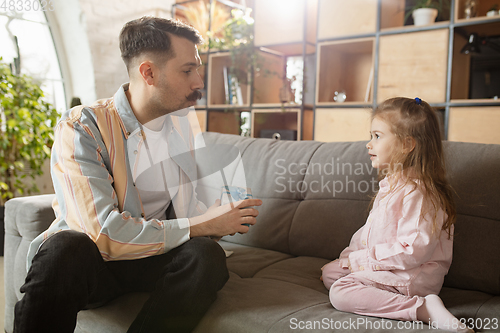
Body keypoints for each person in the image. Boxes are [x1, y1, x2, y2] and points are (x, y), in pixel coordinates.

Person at [14, 17, 262, 333]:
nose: (198, 82)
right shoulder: (83, 127)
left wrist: (219, 217)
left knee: (206, 256)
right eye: (188, 70)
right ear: (148, 73)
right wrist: (204, 223)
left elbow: (182, 220)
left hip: (150, 259)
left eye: (197, 70)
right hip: (91, 264)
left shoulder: (181, 128)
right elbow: (101, 233)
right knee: (66, 247)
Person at [321, 97, 473, 333]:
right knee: (330, 273)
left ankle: (424, 308)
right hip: (389, 267)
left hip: (411, 276)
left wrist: (362, 261)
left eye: (377, 136)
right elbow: (370, 233)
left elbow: (413, 251)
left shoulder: (419, 193)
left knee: (340, 292)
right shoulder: (392, 185)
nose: (368, 144)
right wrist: (352, 256)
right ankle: (373, 290)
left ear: (406, 144)